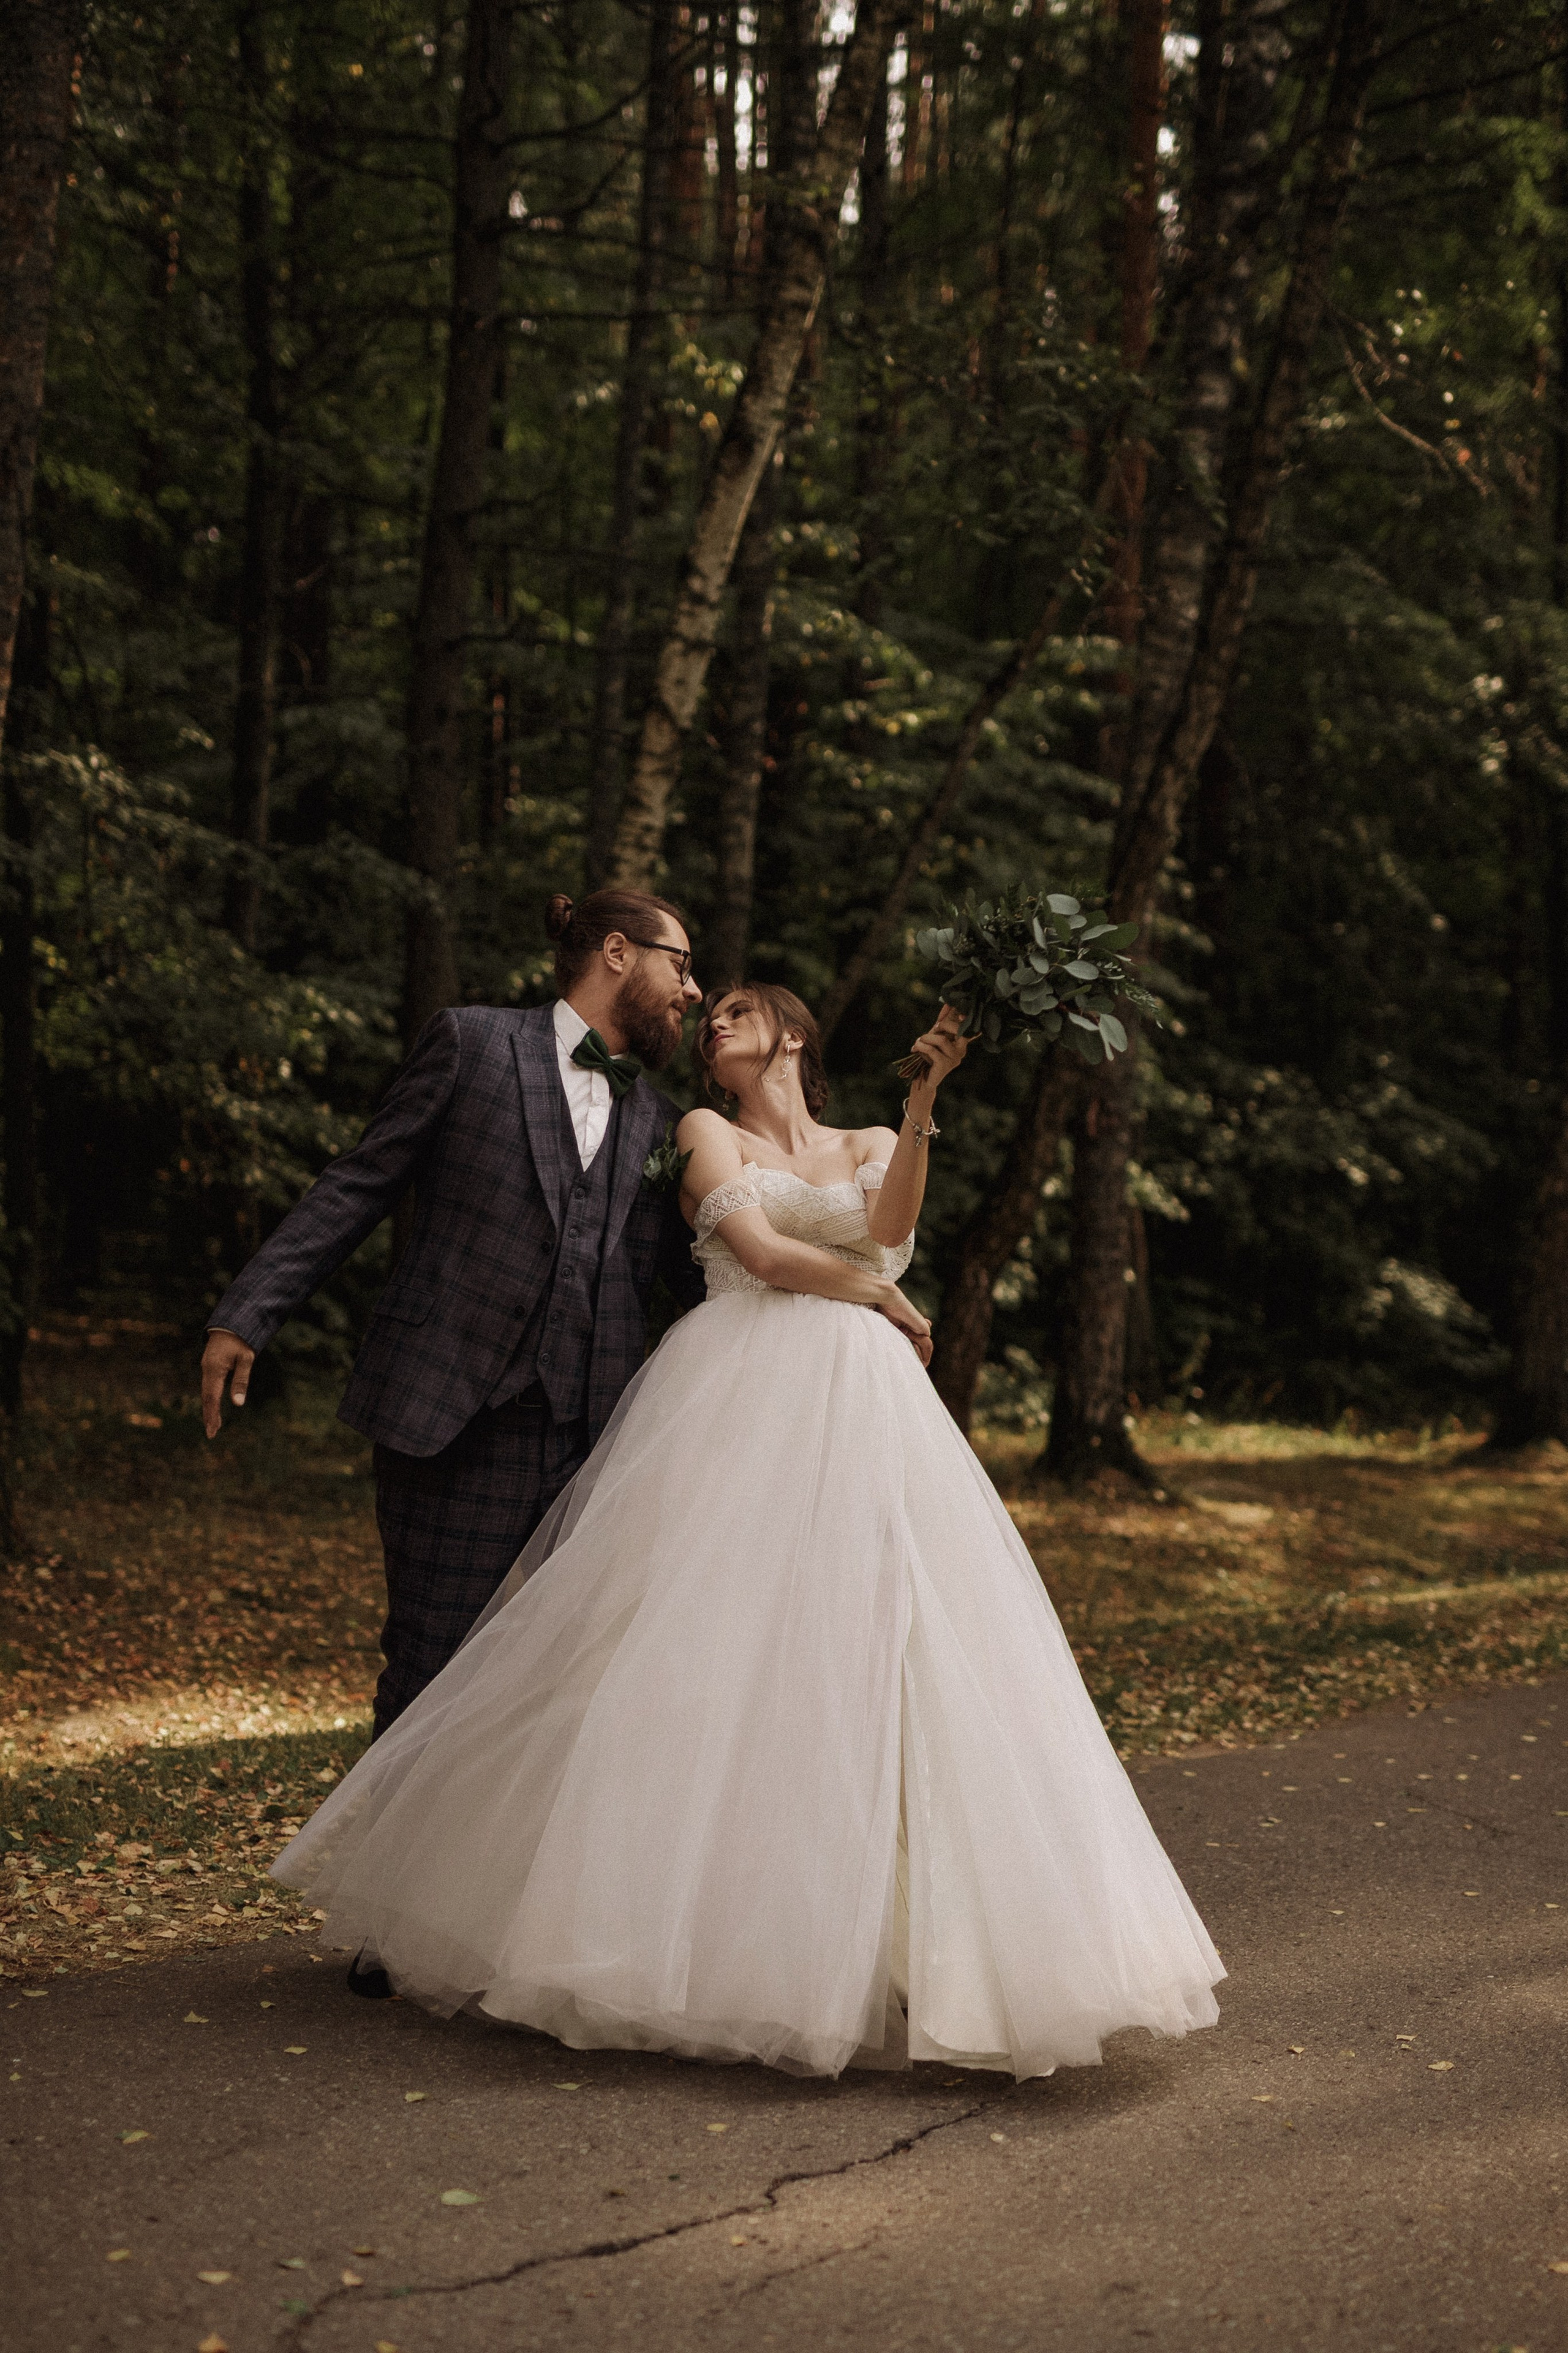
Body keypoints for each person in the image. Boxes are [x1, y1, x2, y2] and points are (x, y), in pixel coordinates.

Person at [272, 983, 1224, 2080]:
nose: (713, 1022)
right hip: (733, 1402)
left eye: (736, 1008)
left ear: (794, 1032)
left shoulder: (871, 1140)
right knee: (701, 1654)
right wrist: (878, 1299)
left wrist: (922, 1102)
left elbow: (891, 1235)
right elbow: (766, 1257)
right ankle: (661, 1939)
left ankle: (902, 1945)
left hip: (865, 1411)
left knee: (882, 1650)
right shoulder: (701, 1129)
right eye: (709, 1012)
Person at [201, 889, 706, 1761]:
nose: (693, 991)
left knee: (560, 1698)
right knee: (429, 1677)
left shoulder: (664, 1123)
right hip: (451, 1421)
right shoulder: (473, 1045)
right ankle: (383, 1856)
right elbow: (360, 1182)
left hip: (593, 1448)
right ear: (618, 952)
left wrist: (839, 1318)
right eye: (683, 965)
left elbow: (703, 1279)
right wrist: (248, 1313)